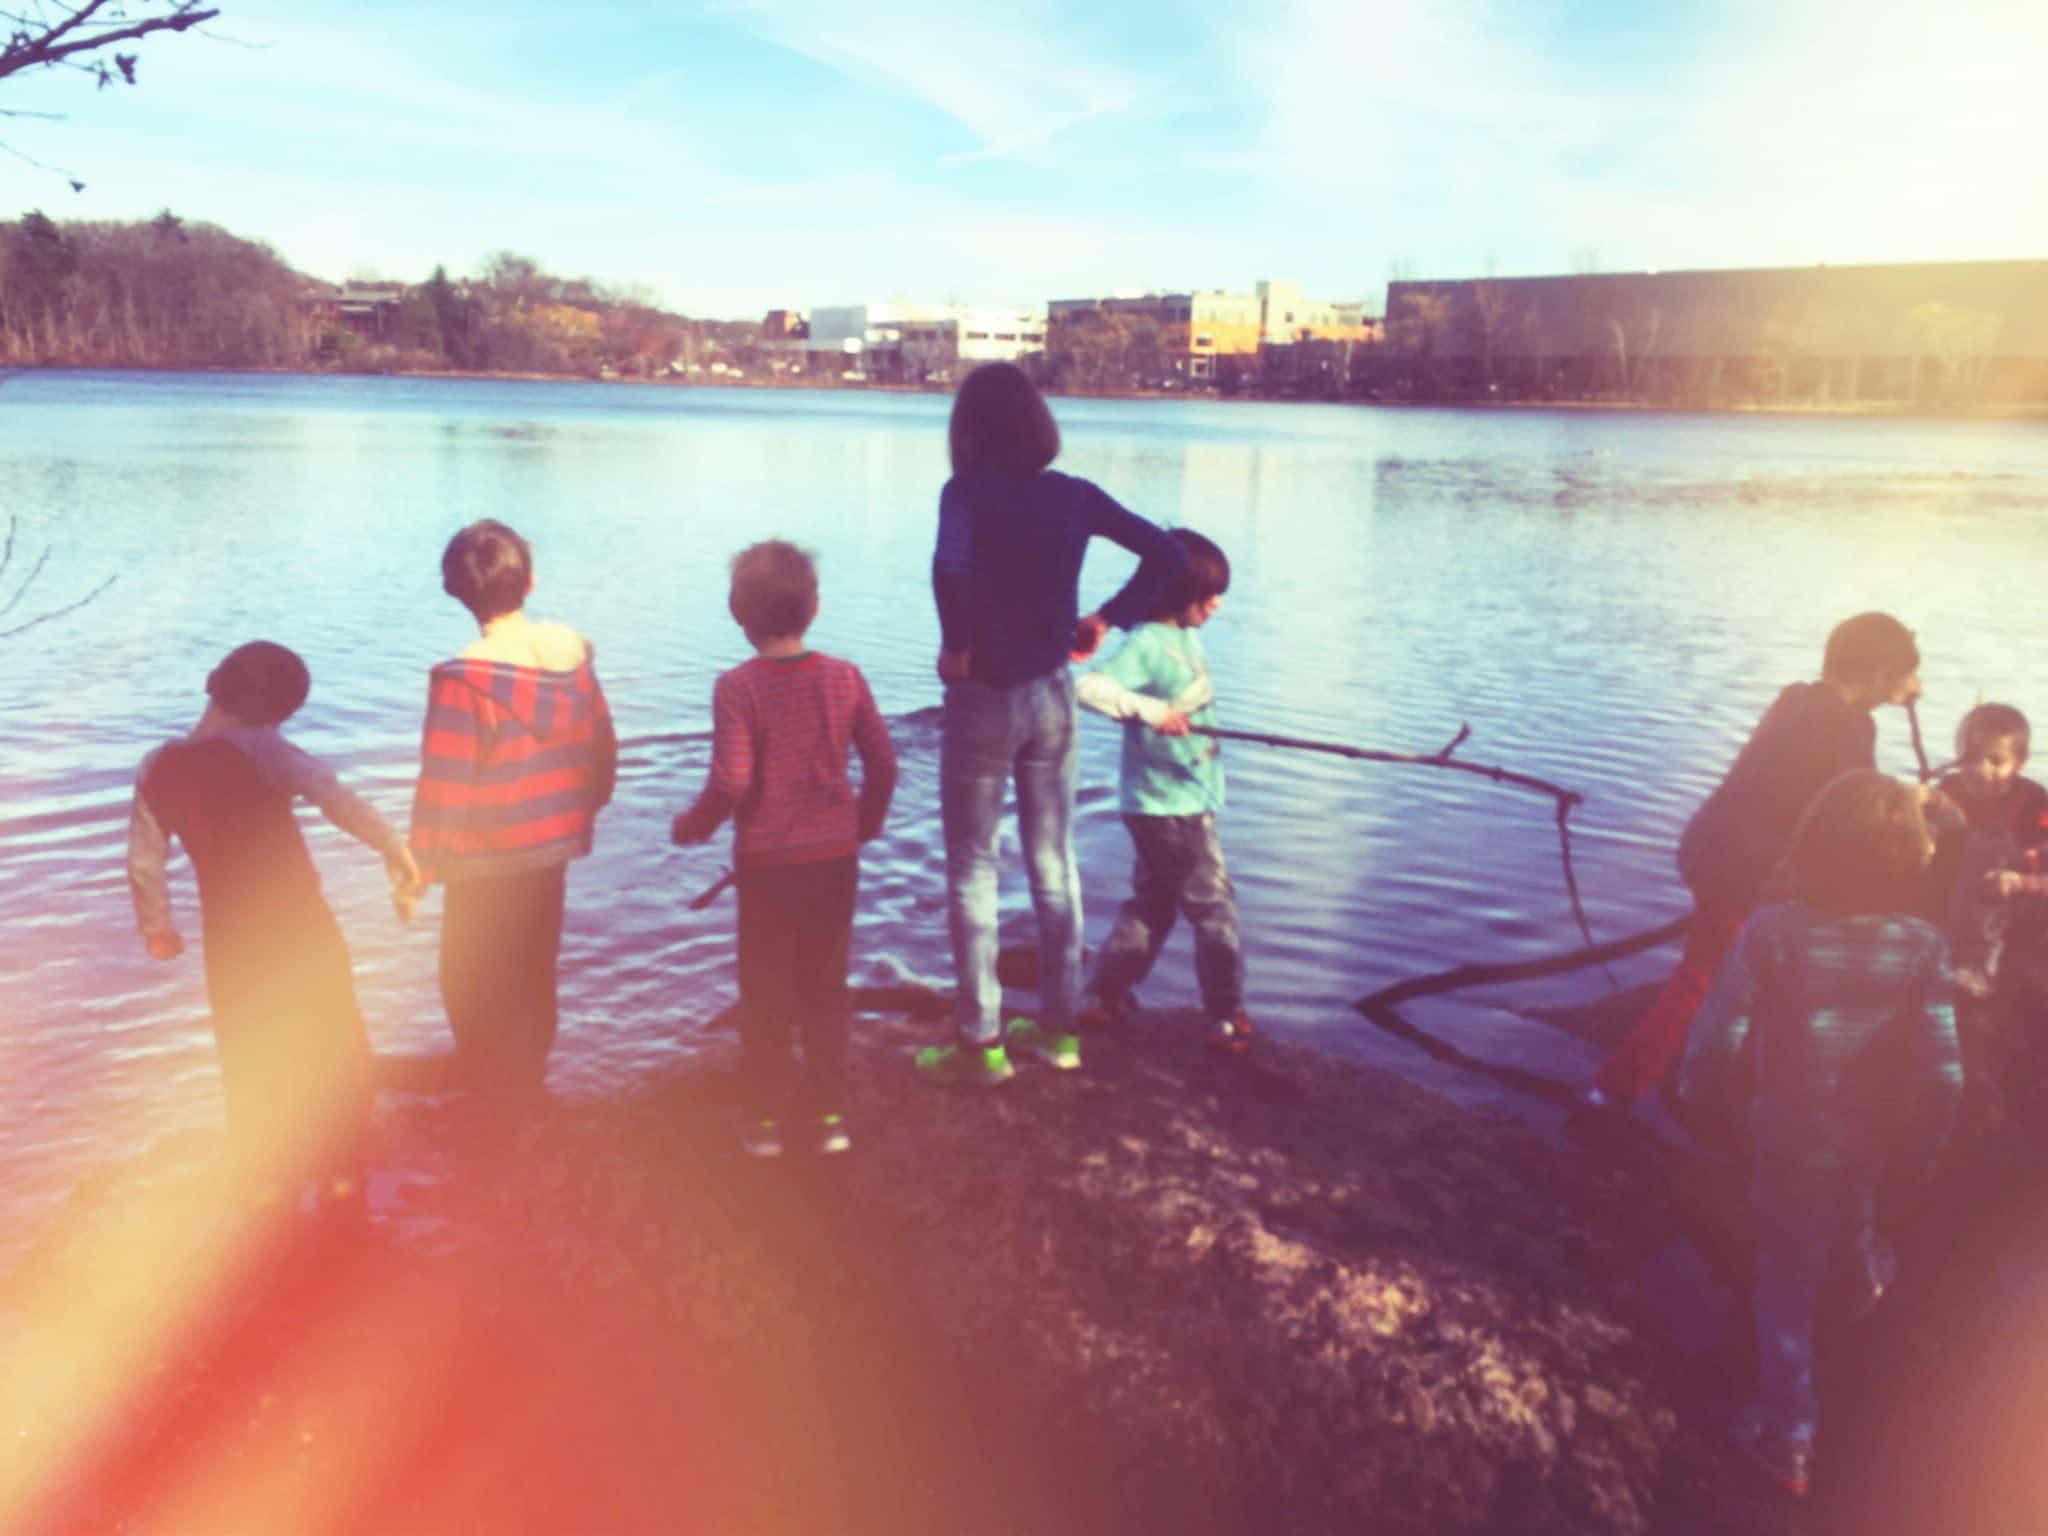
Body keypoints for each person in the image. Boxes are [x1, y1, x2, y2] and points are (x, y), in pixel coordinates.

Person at [1679, 770, 1962, 1500]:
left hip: (1785, 1135)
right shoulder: (1925, 946)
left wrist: (1705, 1105)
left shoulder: (1773, 932)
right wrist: (1929, 1142)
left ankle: (1787, 1438)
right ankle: (1861, 1277)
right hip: (1870, 1133)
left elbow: (1713, 1045)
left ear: (1812, 846)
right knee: (1850, 1211)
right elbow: (1943, 1070)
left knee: (1783, 1281)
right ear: (1909, 859)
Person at [917, 362, 1188, 1085]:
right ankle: (1060, 1031)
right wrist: (1109, 618)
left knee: (974, 865)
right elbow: (1168, 552)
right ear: (1037, 423)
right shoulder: (1073, 497)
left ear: (968, 429)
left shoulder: (964, 492)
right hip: (1053, 695)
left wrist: (957, 644)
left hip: (983, 694)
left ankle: (980, 1044)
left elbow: (951, 568)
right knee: (1052, 861)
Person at [1584, 612, 1923, 1114]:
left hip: (1711, 851)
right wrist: (1914, 803)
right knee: (1700, 982)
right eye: (1906, 673)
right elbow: (1859, 804)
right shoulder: (1850, 725)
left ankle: (1705, 1089)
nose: (1916, 685)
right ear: (1877, 675)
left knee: (1734, 977)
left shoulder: (1796, 698)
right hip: (1746, 873)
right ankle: (1613, 1091)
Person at [127, 641, 419, 1214]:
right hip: (300, 930)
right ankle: (343, 1174)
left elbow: (144, 857)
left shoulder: (156, 766)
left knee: (245, 1048)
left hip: (230, 942)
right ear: (277, 714)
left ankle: (265, 1181)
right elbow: (333, 796)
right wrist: (395, 848)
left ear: (214, 683)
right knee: (335, 1039)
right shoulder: (262, 748)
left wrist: (156, 926)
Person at [672, 541, 897, 1157]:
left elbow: (732, 782)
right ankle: (830, 1118)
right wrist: (865, 825)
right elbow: (883, 762)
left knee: (765, 991)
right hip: (834, 860)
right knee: (826, 985)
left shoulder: (736, 688)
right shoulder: (845, 677)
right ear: (815, 608)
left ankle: (765, 1120)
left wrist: (696, 825)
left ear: (736, 613)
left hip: (768, 867)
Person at [409, 519, 617, 1116]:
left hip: (483, 858)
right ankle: (528, 1083)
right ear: (530, 583)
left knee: (466, 974)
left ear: (455, 591)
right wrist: (588, 808)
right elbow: (603, 744)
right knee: (532, 967)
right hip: (551, 845)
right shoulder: (573, 658)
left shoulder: (462, 679)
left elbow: (445, 783)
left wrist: (421, 867)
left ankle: (492, 1091)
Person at [1072, 528, 1254, 1052]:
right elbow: (1087, 686)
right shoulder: (1150, 643)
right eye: (1208, 595)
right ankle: (1224, 1013)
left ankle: (1104, 994)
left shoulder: (1184, 637)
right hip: (1168, 806)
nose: (1216, 604)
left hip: (1180, 799)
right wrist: (1150, 710)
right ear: (1177, 594)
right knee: (1215, 909)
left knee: (1153, 904)